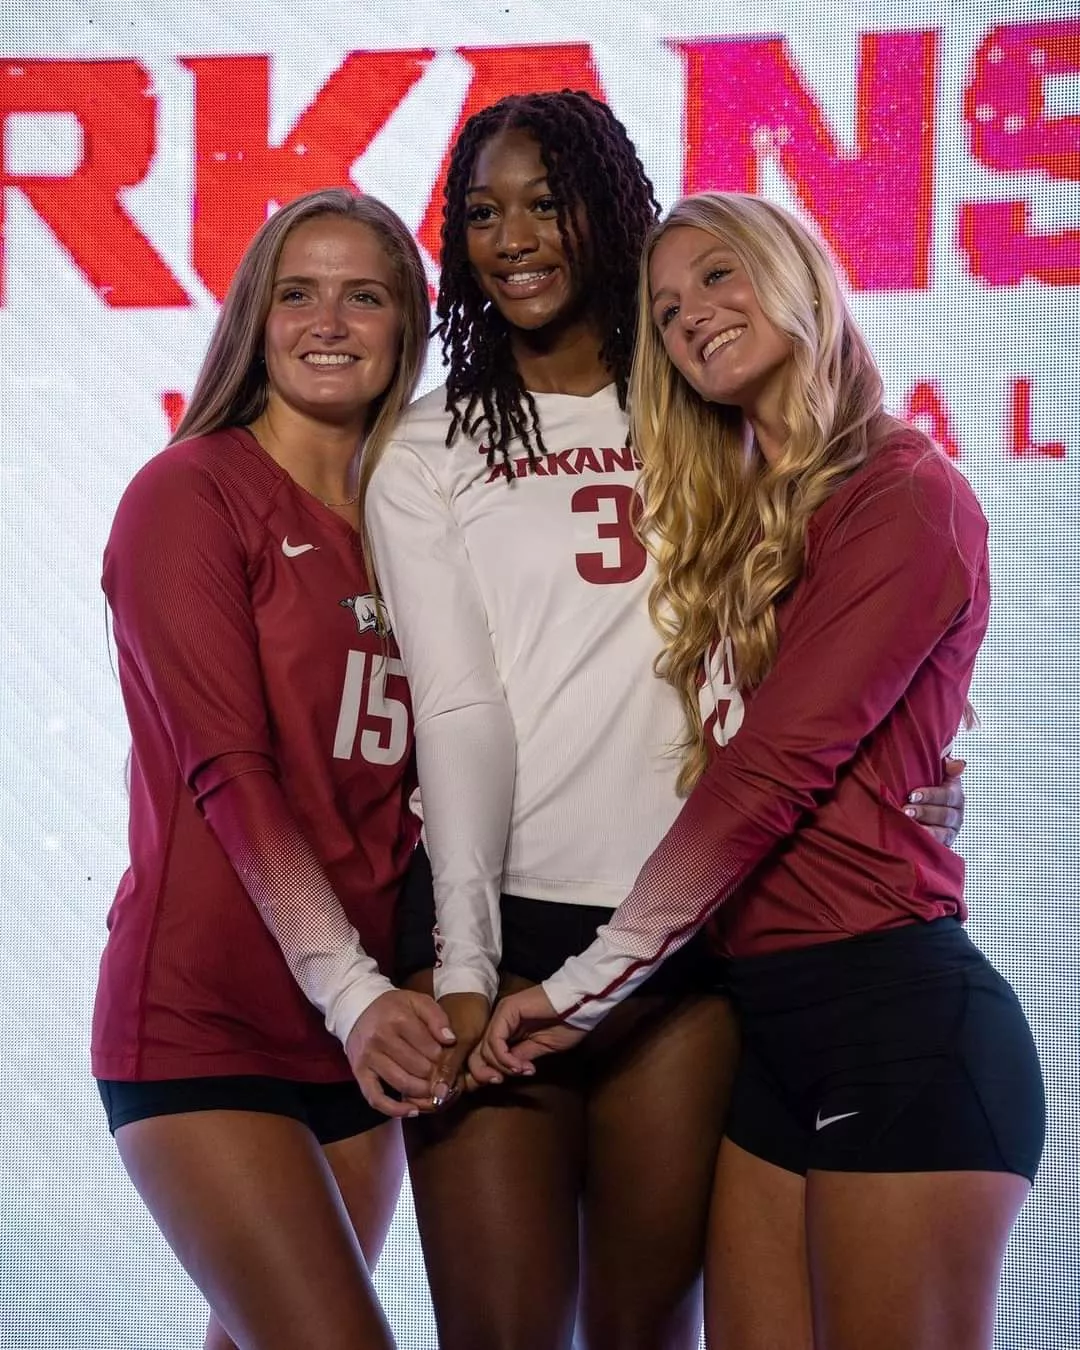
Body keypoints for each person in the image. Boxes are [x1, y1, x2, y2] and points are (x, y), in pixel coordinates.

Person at [363, 95, 966, 1350]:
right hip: (496, 920)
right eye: (482, 211)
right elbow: (459, 705)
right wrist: (468, 962)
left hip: (683, 937)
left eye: (547, 200)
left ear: (610, 215)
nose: (514, 236)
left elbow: (820, 674)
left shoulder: (719, 417)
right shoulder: (427, 446)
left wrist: (920, 772)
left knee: (648, 1332)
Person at [475, 192, 1046, 1350]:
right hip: (768, 1033)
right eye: (670, 307)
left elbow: (772, 772)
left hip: (897, 1025)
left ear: (798, 280)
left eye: (721, 278)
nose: (693, 317)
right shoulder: (742, 519)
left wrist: (588, 986)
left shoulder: (904, 492)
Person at [92, 188, 443, 1350]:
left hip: (365, 1030)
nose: (328, 321)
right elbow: (229, 773)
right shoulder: (190, 492)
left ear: (408, 324)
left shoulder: (426, 530)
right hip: (214, 1019)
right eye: (298, 293)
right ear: (256, 317)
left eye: (365, 295)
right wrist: (350, 991)